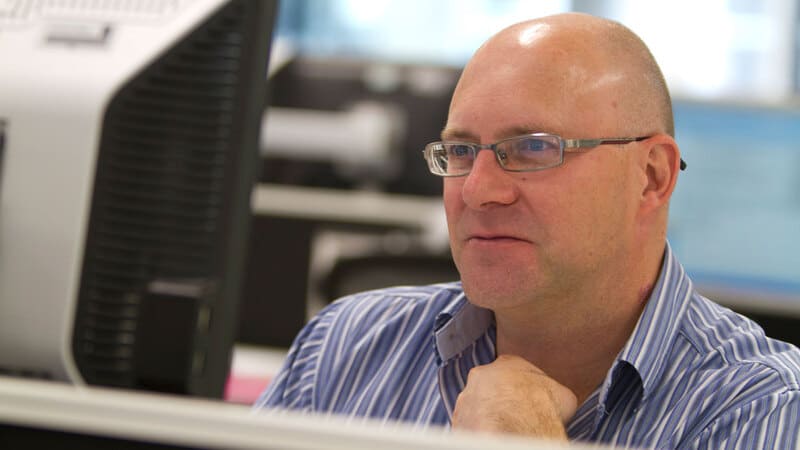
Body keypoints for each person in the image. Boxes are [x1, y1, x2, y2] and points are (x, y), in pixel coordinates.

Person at [254, 12, 800, 448]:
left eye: (534, 148)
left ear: (652, 176)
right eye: (461, 151)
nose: (478, 190)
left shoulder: (761, 405)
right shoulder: (344, 350)